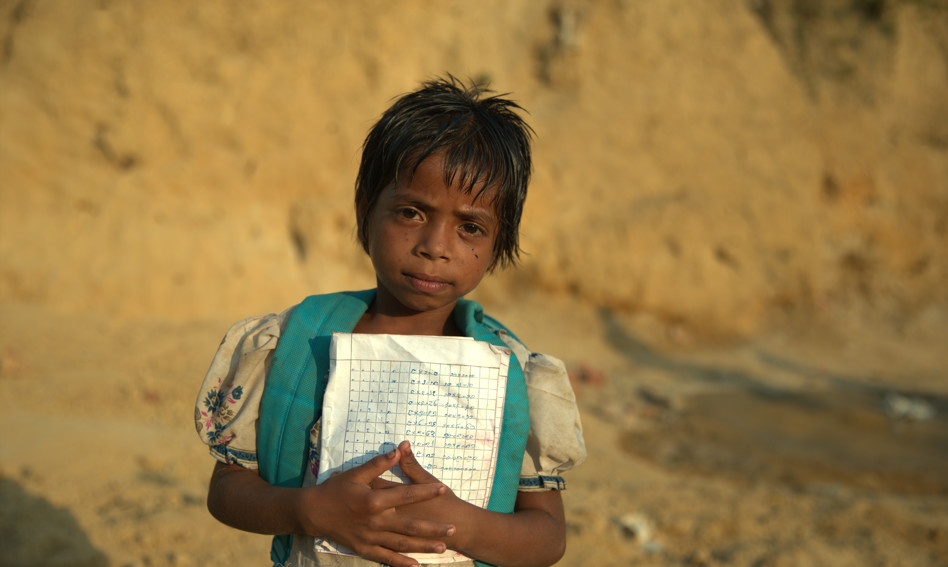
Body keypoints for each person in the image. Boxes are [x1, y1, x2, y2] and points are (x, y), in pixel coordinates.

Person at [194, 75, 586, 567]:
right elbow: (228, 490)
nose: (435, 246)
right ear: (365, 211)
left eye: (470, 227)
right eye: (411, 212)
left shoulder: (512, 373)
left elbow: (547, 538)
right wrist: (309, 509)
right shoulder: (298, 344)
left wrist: (460, 522)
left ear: (497, 245)